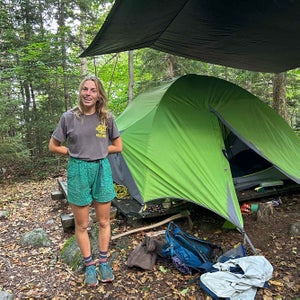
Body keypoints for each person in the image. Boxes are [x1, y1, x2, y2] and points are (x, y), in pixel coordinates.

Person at [49, 75, 122, 287]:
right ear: (80, 92)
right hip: (78, 170)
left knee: (104, 221)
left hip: (101, 168)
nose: (88, 94)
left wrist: (98, 150)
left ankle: (104, 261)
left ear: (99, 95)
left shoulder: (106, 118)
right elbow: (53, 145)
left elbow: (118, 146)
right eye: (85, 89)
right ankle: (90, 265)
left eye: (93, 90)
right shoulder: (69, 117)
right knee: (82, 224)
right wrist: (72, 151)